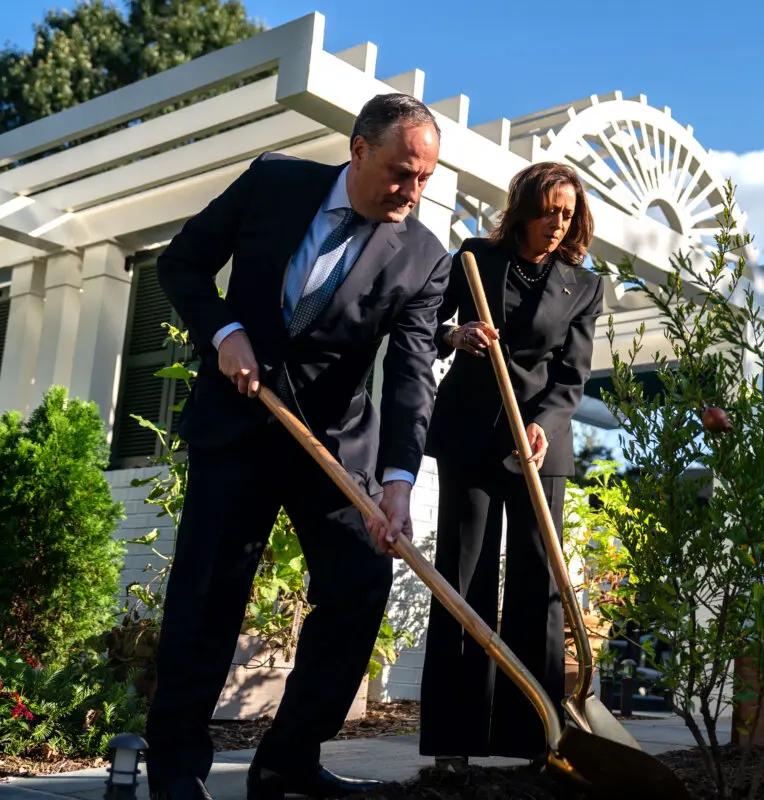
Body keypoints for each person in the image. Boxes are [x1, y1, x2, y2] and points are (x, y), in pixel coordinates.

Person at [146, 93, 452, 800]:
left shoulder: (424, 258)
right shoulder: (273, 184)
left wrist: (398, 481)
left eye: (425, 178)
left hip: (334, 448)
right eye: (402, 172)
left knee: (360, 585)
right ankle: (174, 771)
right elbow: (182, 266)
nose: (412, 191)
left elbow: (410, 374)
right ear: (359, 150)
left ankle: (286, 763)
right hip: (237, 429)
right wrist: (225, 336)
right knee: (206, 599)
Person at [418, 162, 603, 766]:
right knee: (463, 580)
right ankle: (453, 741)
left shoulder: (583, 285)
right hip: (470, 434)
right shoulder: (475, 258)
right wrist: (457, 336)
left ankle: (535, 739)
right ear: (524, 207)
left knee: (536, 587)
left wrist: (541, 425)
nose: (557, 223)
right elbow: (426, 324)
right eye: (549, 209)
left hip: (539, 447)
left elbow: (572, 377)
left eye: (568, 213)